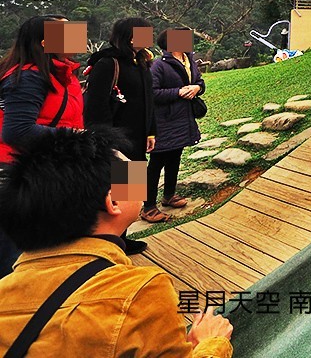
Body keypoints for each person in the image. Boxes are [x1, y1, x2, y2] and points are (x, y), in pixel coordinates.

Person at [0, 126, 234, 357]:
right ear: (112, 202)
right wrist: (212, 344)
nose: (138, 175)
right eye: (130, 173)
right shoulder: (142, 293)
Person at [0, 15, 85, 277]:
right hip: (18, 175)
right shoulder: (28, 77)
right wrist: (77, 136)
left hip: (51, 167)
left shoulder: (64, 73)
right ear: (45, 41)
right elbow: (17, 130)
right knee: (17, 260)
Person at [84, 17, 157, 255]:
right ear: (129, 36)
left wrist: (151, 131)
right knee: (115, 195)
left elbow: (149, 100)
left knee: (130, 194)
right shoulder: (108, 63)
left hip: (136, 139)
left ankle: (122, 240)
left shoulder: (141, 61)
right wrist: (108, 142)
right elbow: (96, 106)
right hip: (116, 141)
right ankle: (108, 244)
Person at [143, 29, 205, 224]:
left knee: (175, 157)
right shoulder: (158, 65)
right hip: (164, 121)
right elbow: (152, 93)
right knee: (156, 163)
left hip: (182, 118)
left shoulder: (190, 60)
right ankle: (148, 206)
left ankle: (169, 195)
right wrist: (177, 92)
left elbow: (199, 82)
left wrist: (197, 88)